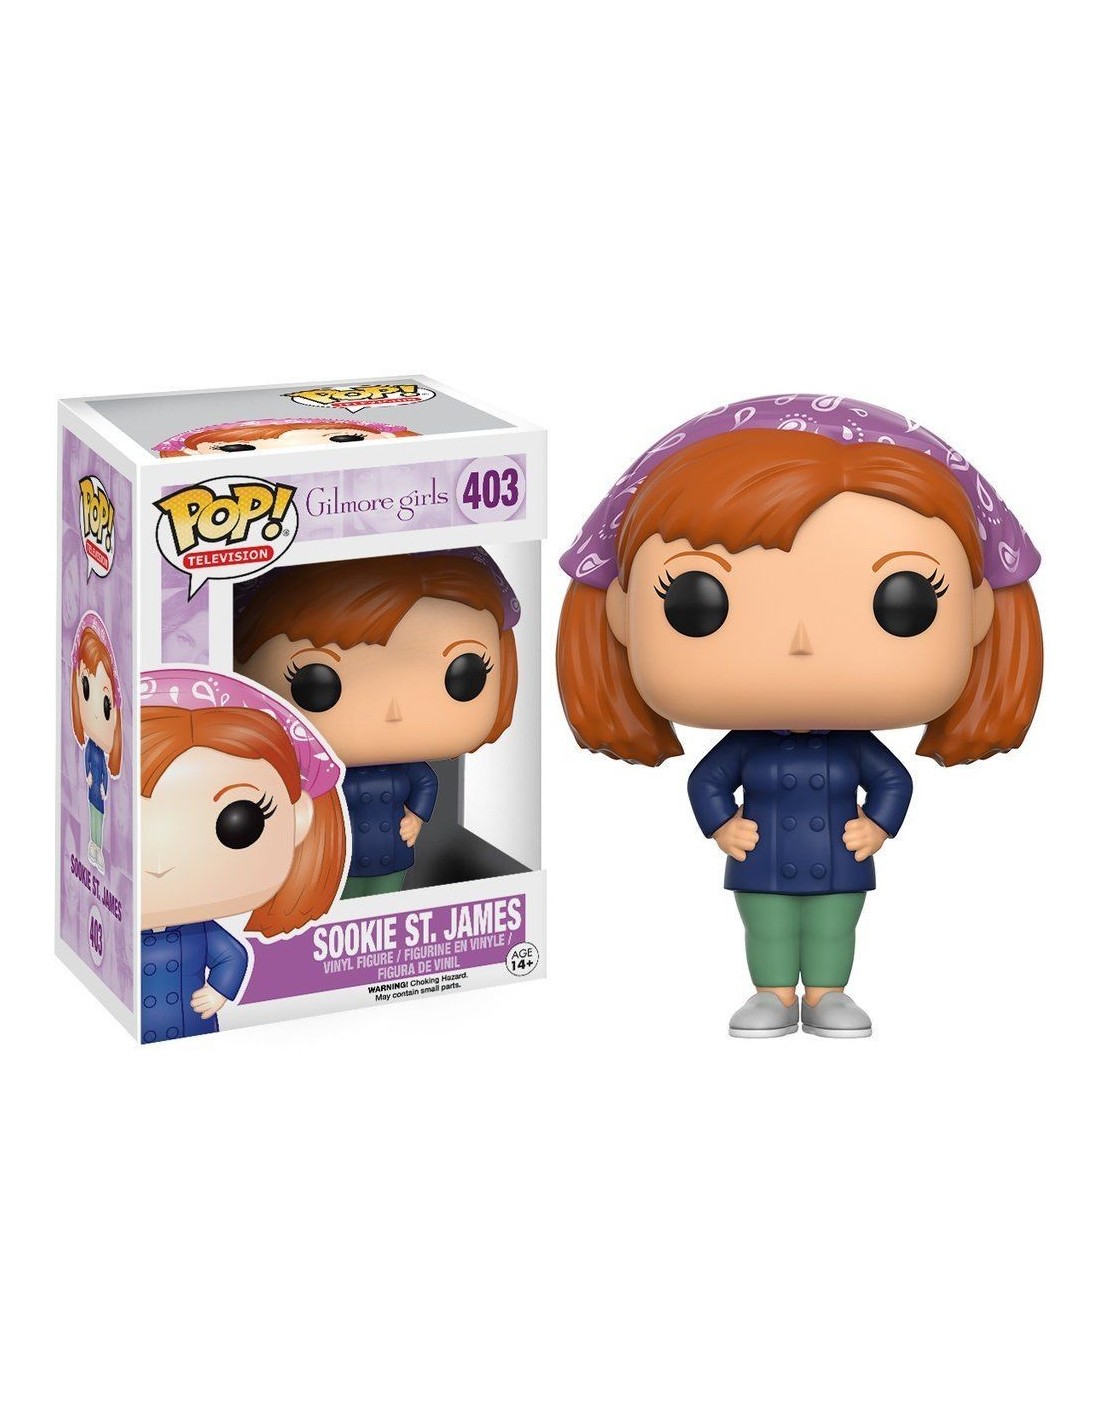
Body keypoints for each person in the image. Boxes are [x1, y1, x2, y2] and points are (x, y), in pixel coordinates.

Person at [557, 395, 1042, 1038]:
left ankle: (828, 994)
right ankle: (774, 994)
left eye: (905, 602)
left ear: (979, 612)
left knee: (836, 927)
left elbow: (893, 780)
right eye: (697, 602)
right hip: (761, 858)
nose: (801, 643)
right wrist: (721, 825)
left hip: (840, 859)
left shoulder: (855, 748)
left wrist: (879, 826)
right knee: (765, 927)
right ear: (621, 613)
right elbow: (707, 780)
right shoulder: (745, 747)